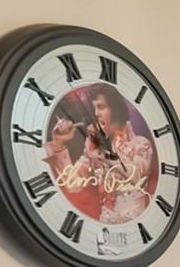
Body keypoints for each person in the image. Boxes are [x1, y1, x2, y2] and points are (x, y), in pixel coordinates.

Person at [44, 84, 154, 224]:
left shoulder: (141, 144)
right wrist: (59, 144)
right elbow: (73, 185)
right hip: (106, 223)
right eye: (94, 108)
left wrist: (104, 156)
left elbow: (136, 175)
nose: (96, 114)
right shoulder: (93, 147)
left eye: (101, 107)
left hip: (134, 223)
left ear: (116, 110)